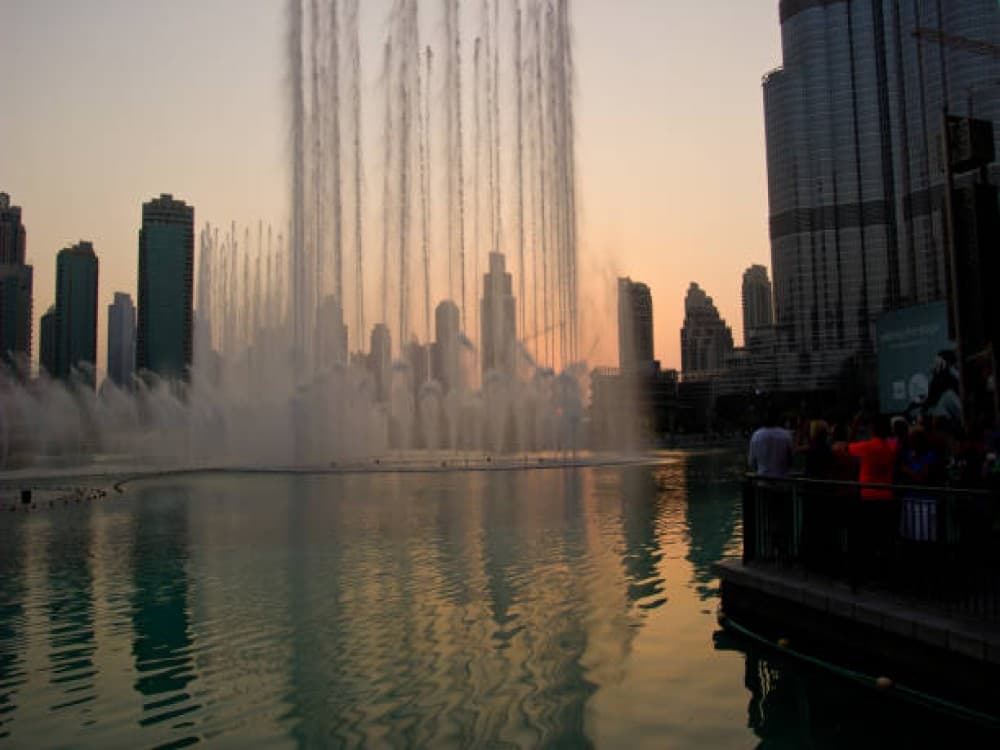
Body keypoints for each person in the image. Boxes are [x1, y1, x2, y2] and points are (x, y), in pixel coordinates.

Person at [748, 407, 794, 478]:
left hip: (762, 478)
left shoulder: (756, 435)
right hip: (782, 479)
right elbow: (790, 460)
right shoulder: (786, 435)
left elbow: (751, 462)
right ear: (778, 418)